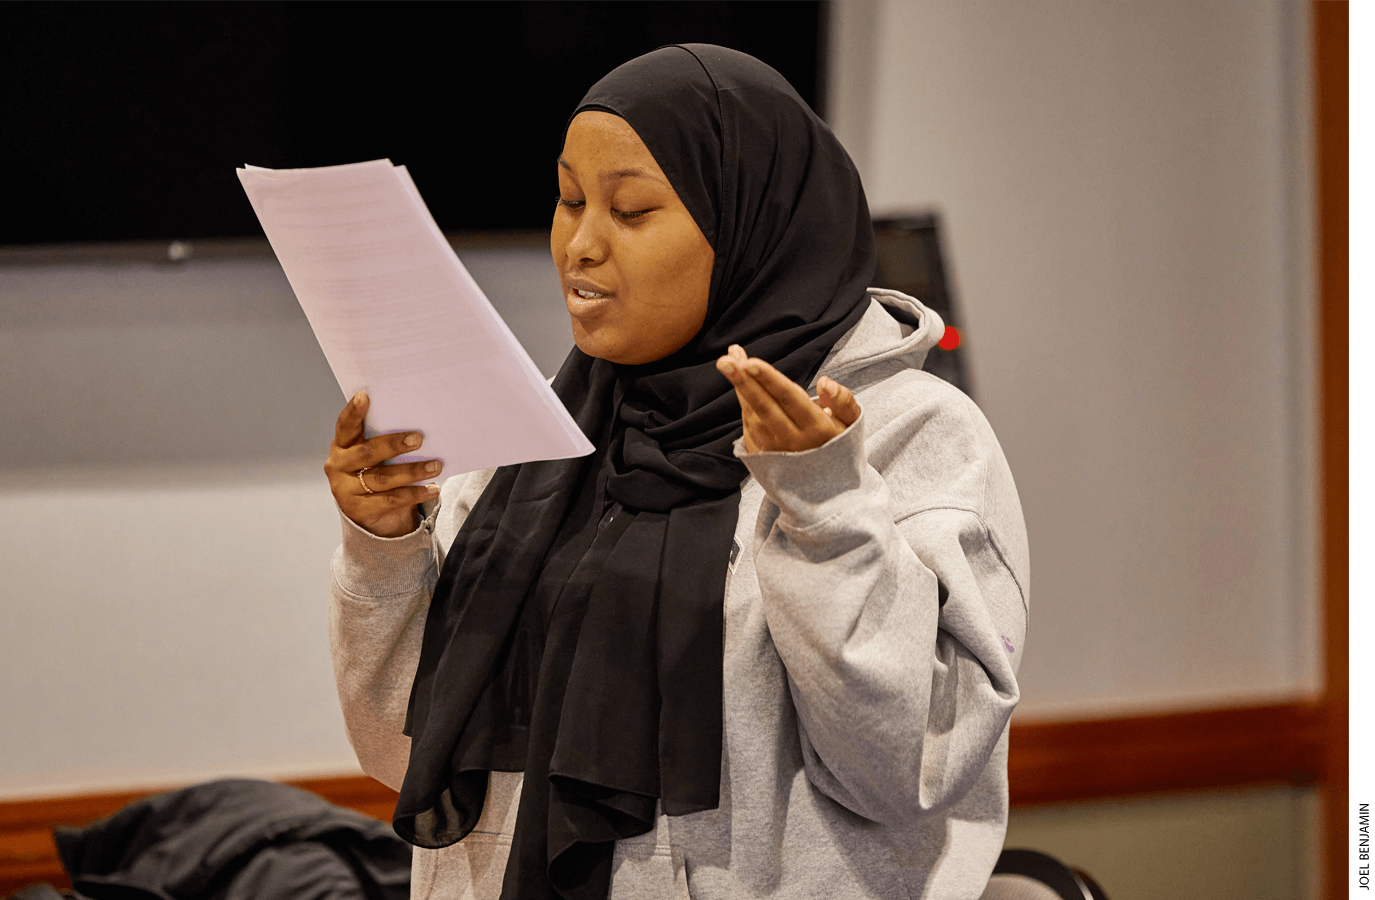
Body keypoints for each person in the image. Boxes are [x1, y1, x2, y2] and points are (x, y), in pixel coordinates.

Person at [324, 44, 1029, 900]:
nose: (579, 246)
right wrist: (385, 548)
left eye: (630, 211)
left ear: (745, 225)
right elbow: (405, 751)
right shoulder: (550, 436)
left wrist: (825, 510)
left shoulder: (906, 432)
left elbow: (902, 769)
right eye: (569, 200)